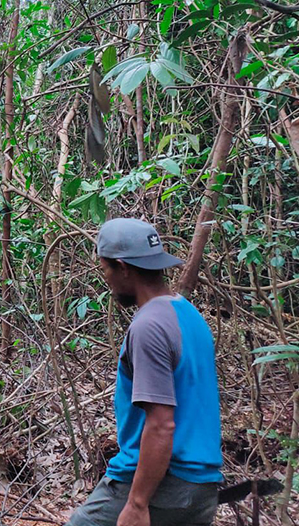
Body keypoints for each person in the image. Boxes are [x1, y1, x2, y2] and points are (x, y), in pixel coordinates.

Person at [66, 218, 222, 526]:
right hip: (202, 488)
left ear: (123, 267)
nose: (107, 280)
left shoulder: (148, 326)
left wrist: (137, 503)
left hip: (166, 484)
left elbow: (162, 424)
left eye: (106, 270)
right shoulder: (189, 315)